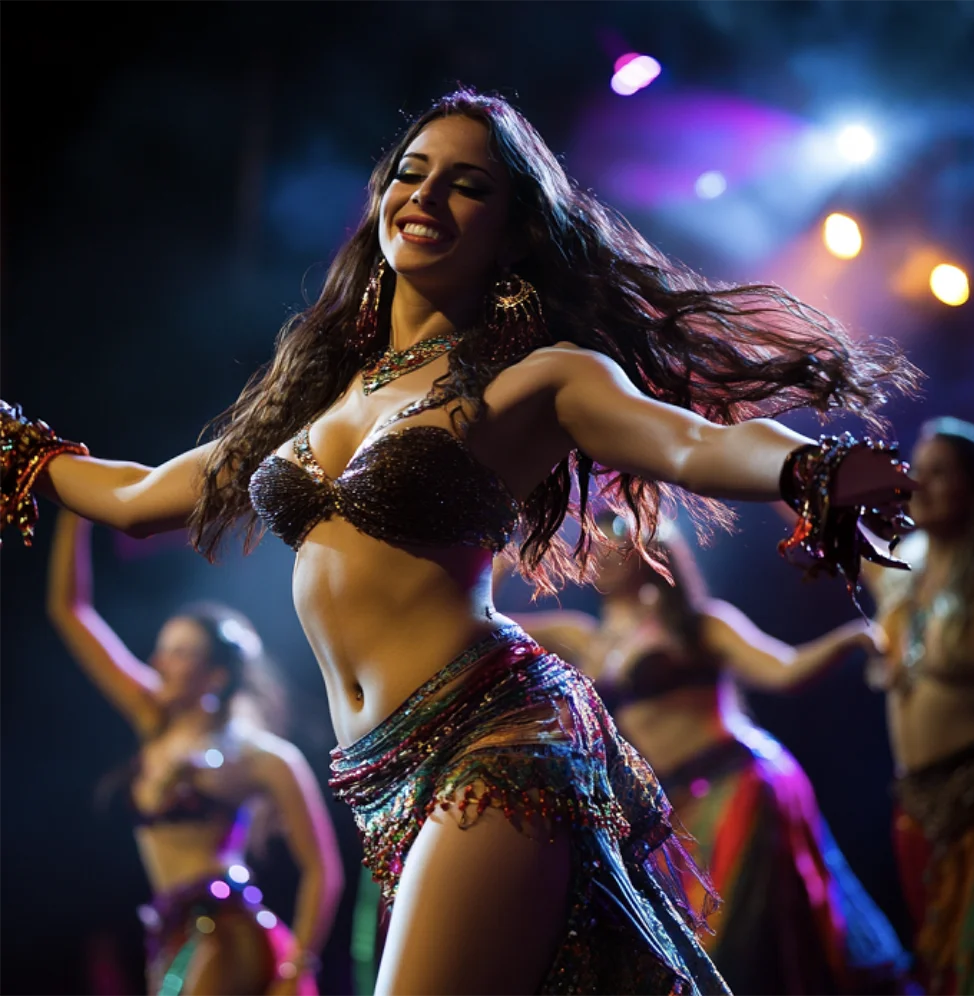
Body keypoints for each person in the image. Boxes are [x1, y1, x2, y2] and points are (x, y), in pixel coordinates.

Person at [4, 88, 919, 996]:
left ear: (518, 231)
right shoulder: (312, 401)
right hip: (379, 780)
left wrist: (811, 469)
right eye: (411, 174)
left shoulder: (538, 380)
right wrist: (18, 449)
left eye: (467, 185)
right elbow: (136, 497)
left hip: (495, 739)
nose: (426, 198)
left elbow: (690, 440)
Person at [507, 514, 912, 995]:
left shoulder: (699, 623)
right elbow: (485, 620)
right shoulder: (584, 637)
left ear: (651, 551)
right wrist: (497, 543)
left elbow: (783, 669)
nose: (602, 552)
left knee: (735, 941)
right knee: (688, 940)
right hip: (672, 809)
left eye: (618, 541)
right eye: (595, 544)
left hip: (738, 785)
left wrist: (851, 638)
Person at [47, 510, 343, 996]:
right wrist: (75, 513)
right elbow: (70, 610)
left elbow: (320, 868)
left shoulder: (264, 757)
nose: (159, 661)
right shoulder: (153, 721)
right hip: (170, 930)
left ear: (216, 676)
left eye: (181, 652)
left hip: (223, 927)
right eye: (163, 649)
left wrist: (296, 967)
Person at [862, 418, 974, 996]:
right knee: (939, 958)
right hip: (915, 801)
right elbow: (811, 513)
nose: (920, 484)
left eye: (939, 473)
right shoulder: (904, 559)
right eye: (918, 471)